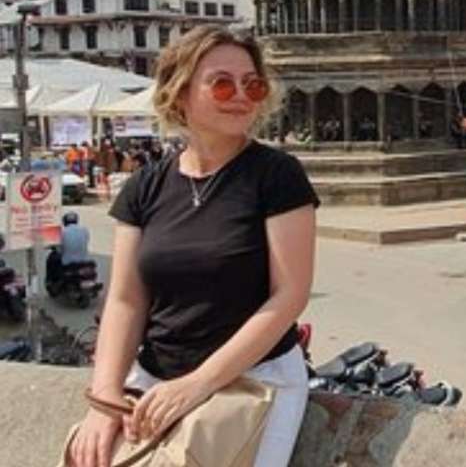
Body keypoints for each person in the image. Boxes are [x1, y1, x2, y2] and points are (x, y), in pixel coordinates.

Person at [67, 26, 319, 467]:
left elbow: (289, 296)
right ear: (179, 93)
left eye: (252, 84)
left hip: (252, 378)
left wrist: (199, 383)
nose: (241, 94)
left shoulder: (276, 175)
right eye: (222, 83)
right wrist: (105, 398)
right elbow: (127, 300)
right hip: (155, 376)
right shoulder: (145, 186)